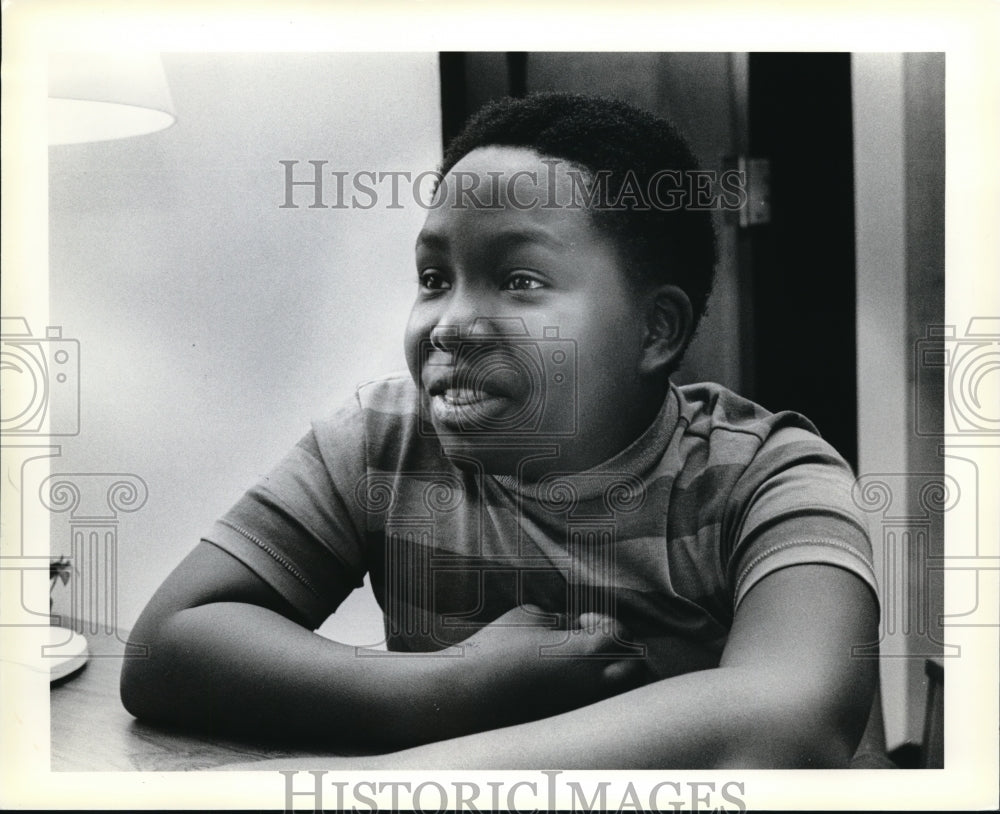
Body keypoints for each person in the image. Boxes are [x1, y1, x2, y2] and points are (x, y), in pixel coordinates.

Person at [120, 92, 880, 768]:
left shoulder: (771, 477)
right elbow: (166, 648)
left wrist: (410, 781)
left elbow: (791, 715)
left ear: (655, 331)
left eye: (520, 281)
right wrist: (463, 682)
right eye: (433, 279)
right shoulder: (383, 437)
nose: (450, 325)